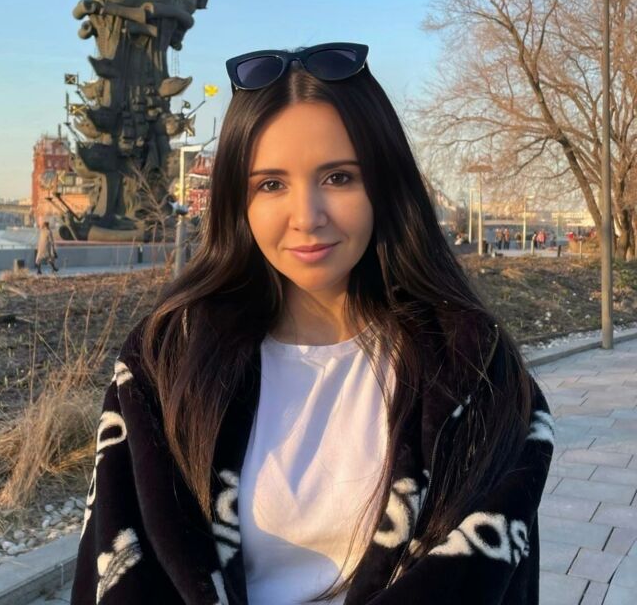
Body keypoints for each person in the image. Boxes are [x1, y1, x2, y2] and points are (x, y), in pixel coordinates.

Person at [71, 42, 554, 605]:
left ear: (385, 184)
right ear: (238, 201)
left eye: (339, 177)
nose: (307, 216)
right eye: (271, 184)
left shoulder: (474, 371)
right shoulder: (164, 364)